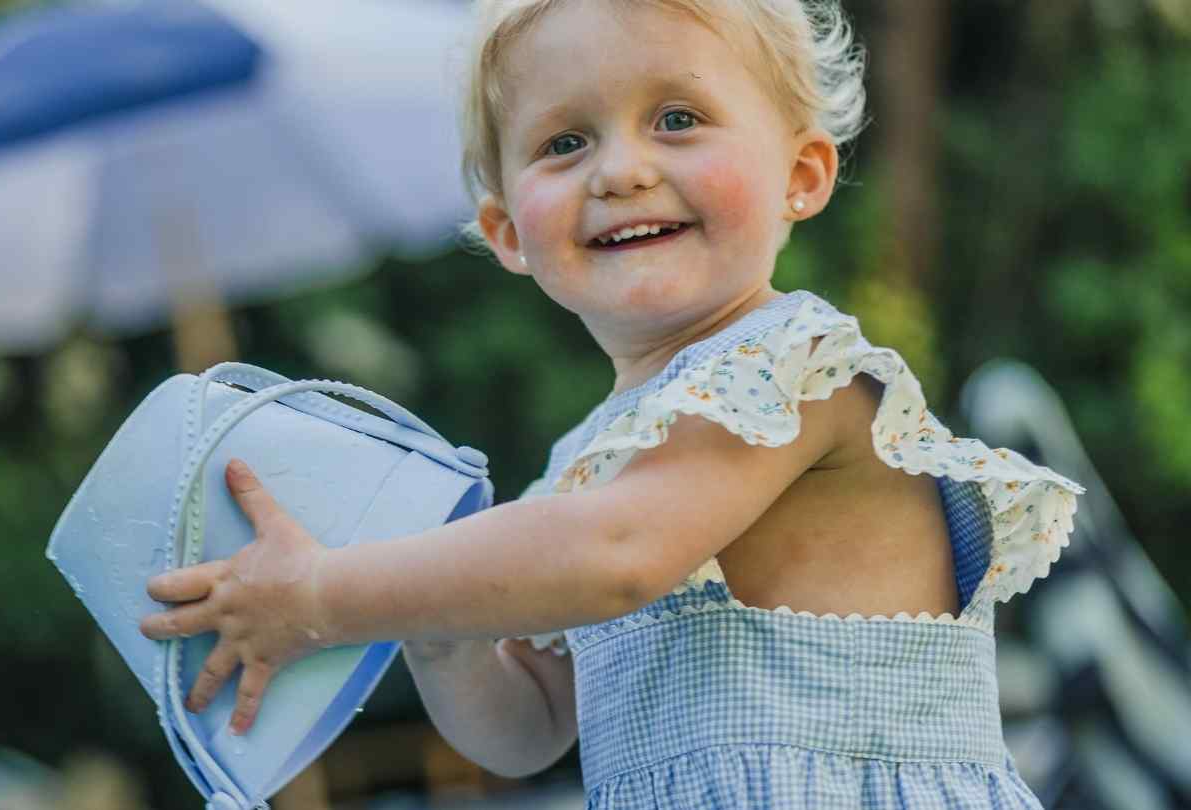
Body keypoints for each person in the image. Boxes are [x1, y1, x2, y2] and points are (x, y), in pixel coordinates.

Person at [139, 0, 1086, 806]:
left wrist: (324, 595)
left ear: (801, 174)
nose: (620, 170)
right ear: (508, 231)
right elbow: (528, 730)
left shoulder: (801, 371)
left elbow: (621, 555)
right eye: (564, 142)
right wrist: (433, 627)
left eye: (677, 119)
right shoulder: (589, 464)